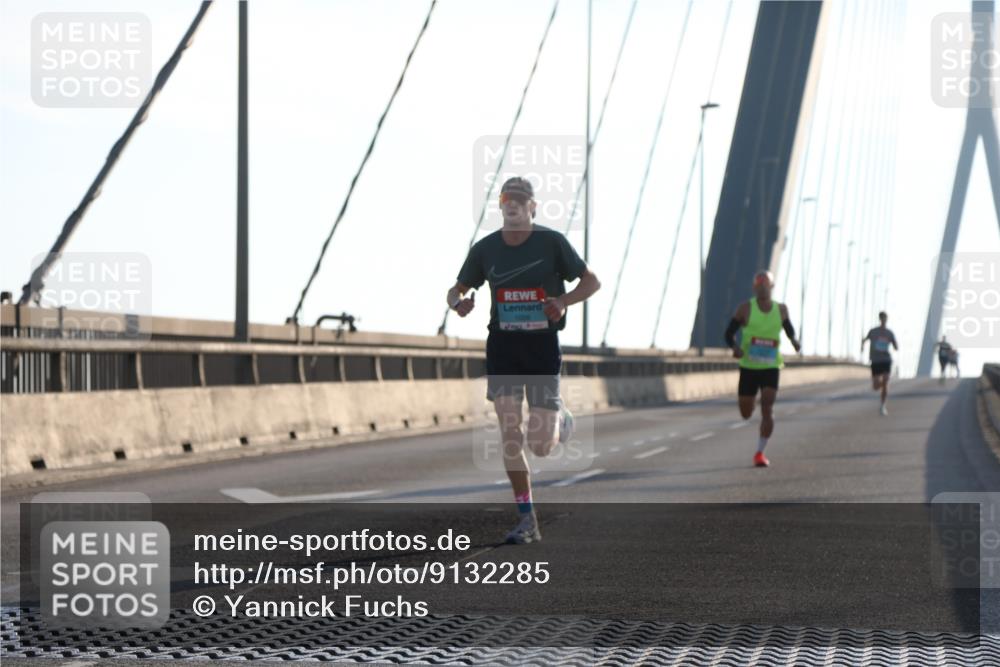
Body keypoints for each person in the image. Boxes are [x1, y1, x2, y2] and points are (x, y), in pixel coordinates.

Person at [447, 176, 601, 544]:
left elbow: (591, 281)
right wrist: (458, 303)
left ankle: (560, 418)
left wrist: (562, 302)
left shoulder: (552, 243)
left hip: (541, 347)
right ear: (500, 207)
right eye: (505, 199)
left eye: (520, 199)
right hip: (503, 347)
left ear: (533, 206)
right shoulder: (485, 249)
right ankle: (526, 518)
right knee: (510, 435)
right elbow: (456, 289)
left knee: (540, 445)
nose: (512, 205)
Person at [724, 270, 801, 467]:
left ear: (772, 286)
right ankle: (752, 401)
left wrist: (794, 342)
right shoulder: (745, 309)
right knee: (746, 412)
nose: (762, 288)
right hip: (749, 366)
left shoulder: (781, 310)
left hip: (771, 366)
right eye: (758, 285)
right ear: (754, 287)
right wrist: (735, 348)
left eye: (765, 285)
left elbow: (789, 329)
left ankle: (760, 452)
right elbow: (729, 333)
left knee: (767, 407)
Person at [861, 311, 898, 415]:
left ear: (887, 319)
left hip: (886, 360)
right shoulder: (873, 331)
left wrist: (895, 345)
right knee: (876, 386)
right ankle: (882, 385)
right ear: (879, 319)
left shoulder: (889, 333)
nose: (883, 320)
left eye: (885, 319)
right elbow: (865, 340)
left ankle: (882, 406)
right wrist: (862, 345)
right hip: (875, 360)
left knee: (885, 381)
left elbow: (896, 346)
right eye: (882, 318)